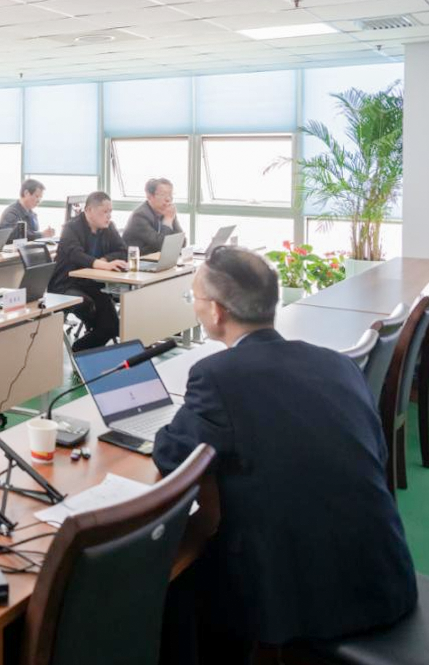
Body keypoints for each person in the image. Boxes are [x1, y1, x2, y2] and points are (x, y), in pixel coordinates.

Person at [154, 247, 418, 663]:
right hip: (385, 579)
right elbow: (376, 451)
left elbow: (173, 456)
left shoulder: (217, 376)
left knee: (178, 581)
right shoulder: (338, 364)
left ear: (217, 312)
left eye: (195, 298)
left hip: (311, 601)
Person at [48, 191, 127, 351]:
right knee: (91, 308)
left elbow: (123, 250)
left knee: (112, 326)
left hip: (91, 283)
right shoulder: (71, 228)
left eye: (110, 211)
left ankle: (80, 350)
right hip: (66, 284)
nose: (109, 216)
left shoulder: (108, 227)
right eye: (105, 212)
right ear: (89, 210)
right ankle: (79, 352)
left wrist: (104, 260)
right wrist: (102, 265)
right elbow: (75, 254)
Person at [121, 177, 185, 255]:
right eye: (163, 195)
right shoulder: (139, 216)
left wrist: (169, 218)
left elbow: (182, 242)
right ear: (149, 197)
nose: (168, 199)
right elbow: (161, 245)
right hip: (137, 260)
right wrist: (168, 219)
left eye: (170, 194)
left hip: (156, 259)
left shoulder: (167, 212)